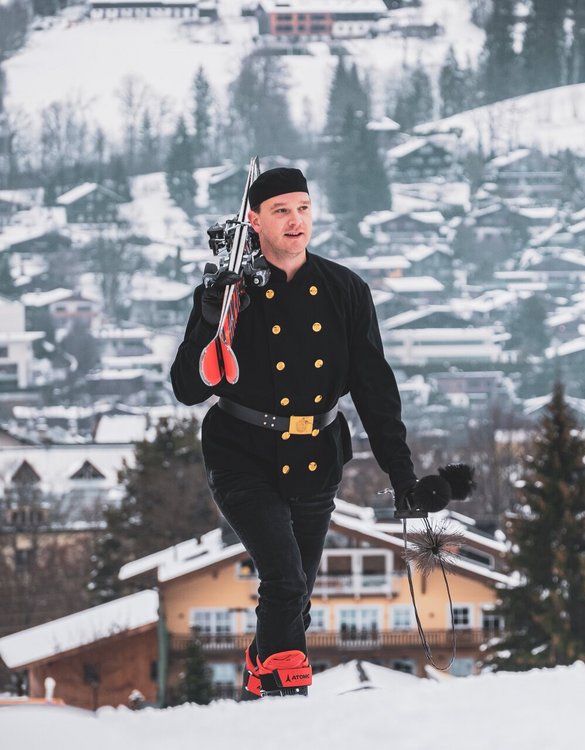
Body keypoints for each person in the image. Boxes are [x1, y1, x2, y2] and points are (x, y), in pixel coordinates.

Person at [170, 167, 418, 698]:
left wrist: (402, 472)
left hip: (316, 457)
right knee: (283, 581)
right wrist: (213, 318)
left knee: (296, 594)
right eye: (281, 210)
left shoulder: (346, 290)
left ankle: (262, 675)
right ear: (253, 220)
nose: (295, 220)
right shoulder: (227, 292)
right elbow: (189, 389)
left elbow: (374, 389)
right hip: (242, 454)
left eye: (303, 208)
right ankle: (287, 700)